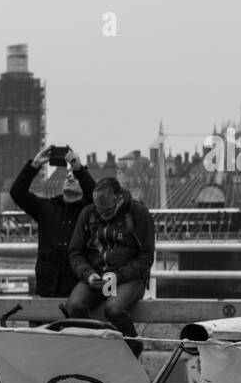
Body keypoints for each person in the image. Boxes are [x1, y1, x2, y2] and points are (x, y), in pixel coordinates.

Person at [66, 176, 155, 357]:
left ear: (119, 197)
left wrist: (118, 276)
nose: (103, 215)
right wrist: (88, 274)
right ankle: (96, 349)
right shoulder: (88, 214)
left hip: (129, 278)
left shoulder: (138, 212)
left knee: (113, 309)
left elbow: (146, 256)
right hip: (97, 276)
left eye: (107, 211)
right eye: (99, 211)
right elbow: (75, 252)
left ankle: (132, 346)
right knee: (74, 306)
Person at [9, 146, 96, 298]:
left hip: (75, 288)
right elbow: (17, 193)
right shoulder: (46, 207)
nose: (70, 177)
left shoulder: (87, 211)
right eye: (68, 176)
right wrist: (35, 164)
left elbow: (97, 196)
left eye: (75, 177)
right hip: (46, 285)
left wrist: (79, 169)